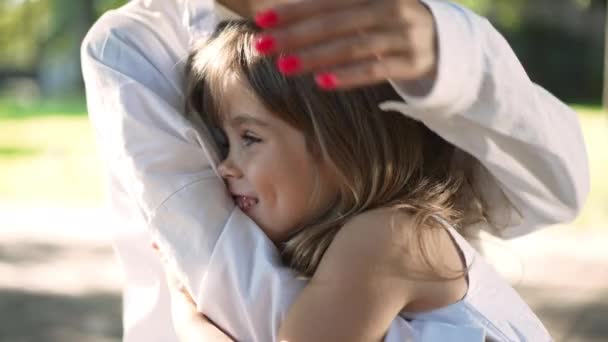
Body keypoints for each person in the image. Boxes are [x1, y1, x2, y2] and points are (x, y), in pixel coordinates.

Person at [81, 0, 589, 341]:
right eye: (220, 141)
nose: (226, 167)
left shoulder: (388, 238)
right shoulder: (135, 44)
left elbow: (552, 189)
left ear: (345, 146)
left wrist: (192, 324)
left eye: (248, 138)